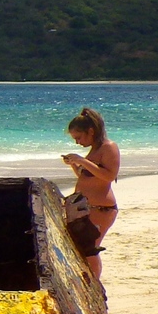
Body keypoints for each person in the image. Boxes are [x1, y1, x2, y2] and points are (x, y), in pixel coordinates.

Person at [62, 107, 120, 279]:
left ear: (91, 131)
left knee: (89, 249)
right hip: (87, 207)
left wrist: (82, 161)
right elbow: (87, 177)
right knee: (82, 248)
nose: (77, 142)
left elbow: (109, 176)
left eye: (79, 137)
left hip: (101, 208)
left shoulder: (108, 147)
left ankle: (95, 284)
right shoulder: (94, 150)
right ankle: (91, 282)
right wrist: (75, 164)